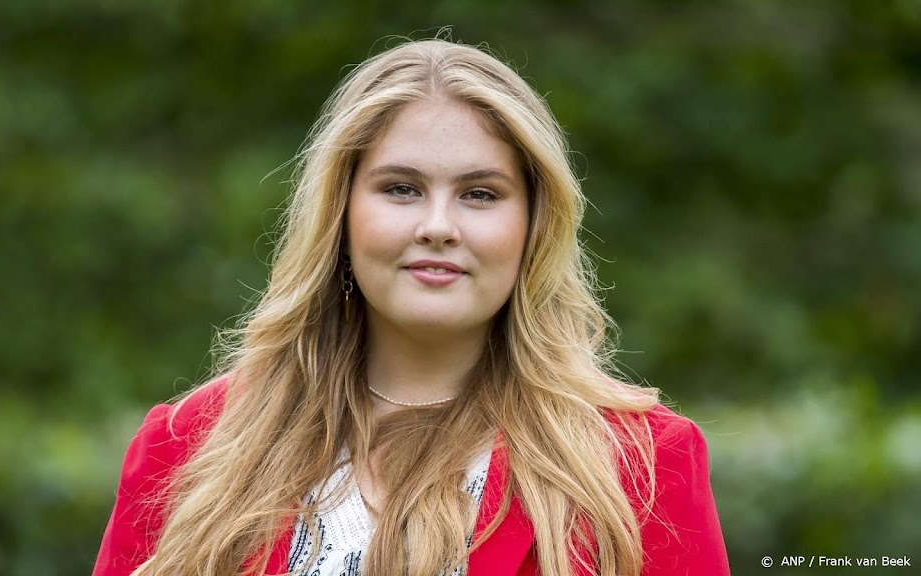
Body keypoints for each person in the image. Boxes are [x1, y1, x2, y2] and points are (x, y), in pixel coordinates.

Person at [92, 38, 730, 576]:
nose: (438, 226)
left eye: (480, 194)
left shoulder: (643, 466)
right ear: (341, 214)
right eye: (401, 188)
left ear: (534, 225)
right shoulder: (187, 448)